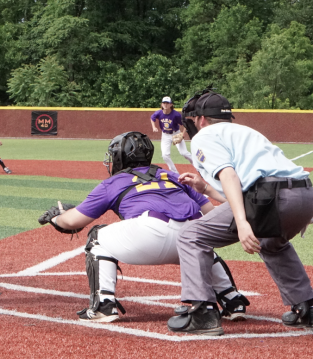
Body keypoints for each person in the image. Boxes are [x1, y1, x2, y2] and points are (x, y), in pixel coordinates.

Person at [38, 131, 249, 323]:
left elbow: (73, 222)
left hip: (150, 234)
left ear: (120, 157)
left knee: (96, 237)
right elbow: (212, 214)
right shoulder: (172, 175)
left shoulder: (113, 182)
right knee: (199, 241)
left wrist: (55, 218)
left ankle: (104, 305)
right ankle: (232, 300)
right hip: (190, 237)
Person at [166, 90, 313, 336]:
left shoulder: (206, 135)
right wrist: (207, 189)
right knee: (271, 242)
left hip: (272, 198)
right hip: (304, 196)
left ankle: (203, 313)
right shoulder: (248, 132)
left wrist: (243, 224)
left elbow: (230, 176)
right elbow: (247, 195)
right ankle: (307, 307)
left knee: (191, 235)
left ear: (201, 119)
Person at [150, 96, 193, 173]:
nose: (165, 105)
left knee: (184, 153)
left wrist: (182, 134)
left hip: (176, 133)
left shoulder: (176, 114)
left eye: (167, 103)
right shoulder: (159, 113)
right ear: (162, 104)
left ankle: (198, 166)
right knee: (165, 155)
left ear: (171, 105)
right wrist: (154, 127)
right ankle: (175, 172)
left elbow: (185, 124)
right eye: (164, 103)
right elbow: (152, 118)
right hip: (165, 135)